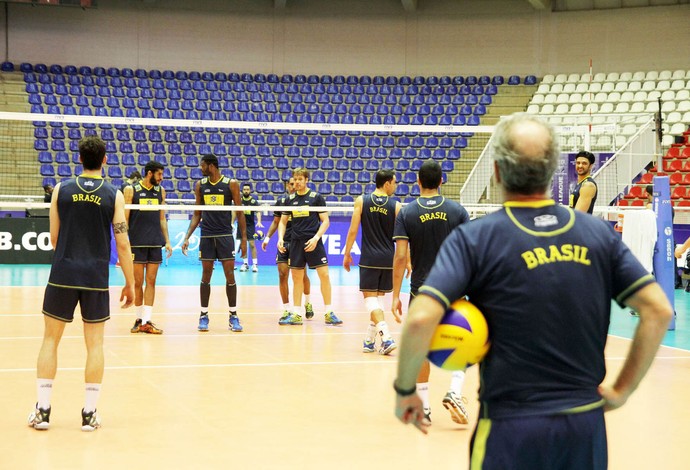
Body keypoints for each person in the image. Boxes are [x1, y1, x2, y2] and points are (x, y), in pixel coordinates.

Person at [393, 114, 673, 469]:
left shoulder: (477, 238)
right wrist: (622, 390)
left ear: (496, 171)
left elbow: (420, 319)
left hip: (510, 426)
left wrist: (406, 390)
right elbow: (659, 310)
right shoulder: (596, 235)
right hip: (583, 426)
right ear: (554, 170)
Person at [28, 135, 135, 432]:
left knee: (50, 340)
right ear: (104, 160)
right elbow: (123, 244)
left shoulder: (61, 189)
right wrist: (131, 283)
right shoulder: (113, 194)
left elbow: (53, 238)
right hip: (95, 278)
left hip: (63, 273)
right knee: (95, 345)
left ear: (79, 159)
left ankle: (44, 411)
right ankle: (89, 414)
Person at [391, 159, 471, 425]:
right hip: (454, 286)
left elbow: (401, 257)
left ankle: (424, 407)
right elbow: (468, 253)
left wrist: (394, 296)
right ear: (441, 181)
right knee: (462, 341)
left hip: (422, 290)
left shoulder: (407, 212)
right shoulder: (457, 210)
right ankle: (455, 391)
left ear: (417, 181)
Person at [181, 154, 247, 332]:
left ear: (211, 166)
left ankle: (233, 315)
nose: (200, 169)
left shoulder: (230, 184)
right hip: (207, 236)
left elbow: (240, 213)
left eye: (202, 166)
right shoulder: (200, 185)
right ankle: (203, 315)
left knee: (230, 275)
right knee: (206, 275)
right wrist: (187, 236)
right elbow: (197, 213)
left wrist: (244, 239)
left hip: (225, 235)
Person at [343, 169, 401, 355]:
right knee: (378, 300)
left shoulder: (361, 201)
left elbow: (353, 230)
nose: (396, 185)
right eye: (394, 182)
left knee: (370, 300)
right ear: (386, 184)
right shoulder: (396, 206)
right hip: (388, 259)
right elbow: (401, 237)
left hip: (369, 258)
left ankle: (386, 337)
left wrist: (347, 253)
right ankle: (369, 340)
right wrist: (406, 260)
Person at [277, 168, 342, 326]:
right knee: (297, 278)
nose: (297, 182)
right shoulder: (289, 199)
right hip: (296, 243)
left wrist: (316, 238)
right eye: (295, 179)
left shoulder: (316, 198)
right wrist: (280, 238)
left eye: (300, 179)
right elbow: (283, 221)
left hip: (314, 241)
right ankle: (297, 314)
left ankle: (328, 312)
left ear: (306, 180)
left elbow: (325, 221)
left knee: (324, 275)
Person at [124, 160, 172, 334]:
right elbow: (125, 219)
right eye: (159, 174)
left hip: (154, 243)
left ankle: (147, 320)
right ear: (150, 173)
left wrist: (167, 241)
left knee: (151, 281)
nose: (162, 178)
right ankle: (138, 319)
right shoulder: (131, 190)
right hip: (137, 243)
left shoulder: (161, 191)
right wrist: (126, 243)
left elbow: (161, 218)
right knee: (137, 282)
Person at [261, 177, 314, 323]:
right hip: (284, 243)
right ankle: (286, 309)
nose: (294, 186)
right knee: (283, 275)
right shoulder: (282, 202)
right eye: (291, 184)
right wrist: (267, 238)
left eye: (296, 183)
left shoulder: (305, 201)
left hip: (298, 242)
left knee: (302, 276)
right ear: (287, 186)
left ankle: (308, 303)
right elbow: (276, 222)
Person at [236, 182, 263, 273]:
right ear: (242, 191)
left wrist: (259, 221)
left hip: (250, 225)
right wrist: (232, 223)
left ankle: (255, 264)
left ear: (250, 190)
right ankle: (245, 264)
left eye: (247, 189)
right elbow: (234, 211)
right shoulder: (239, 201)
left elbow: (258, 212)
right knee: (243, 244)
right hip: (240, 225)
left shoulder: (253, 201)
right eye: (244, 189)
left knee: (252, 244)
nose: (246, 191)